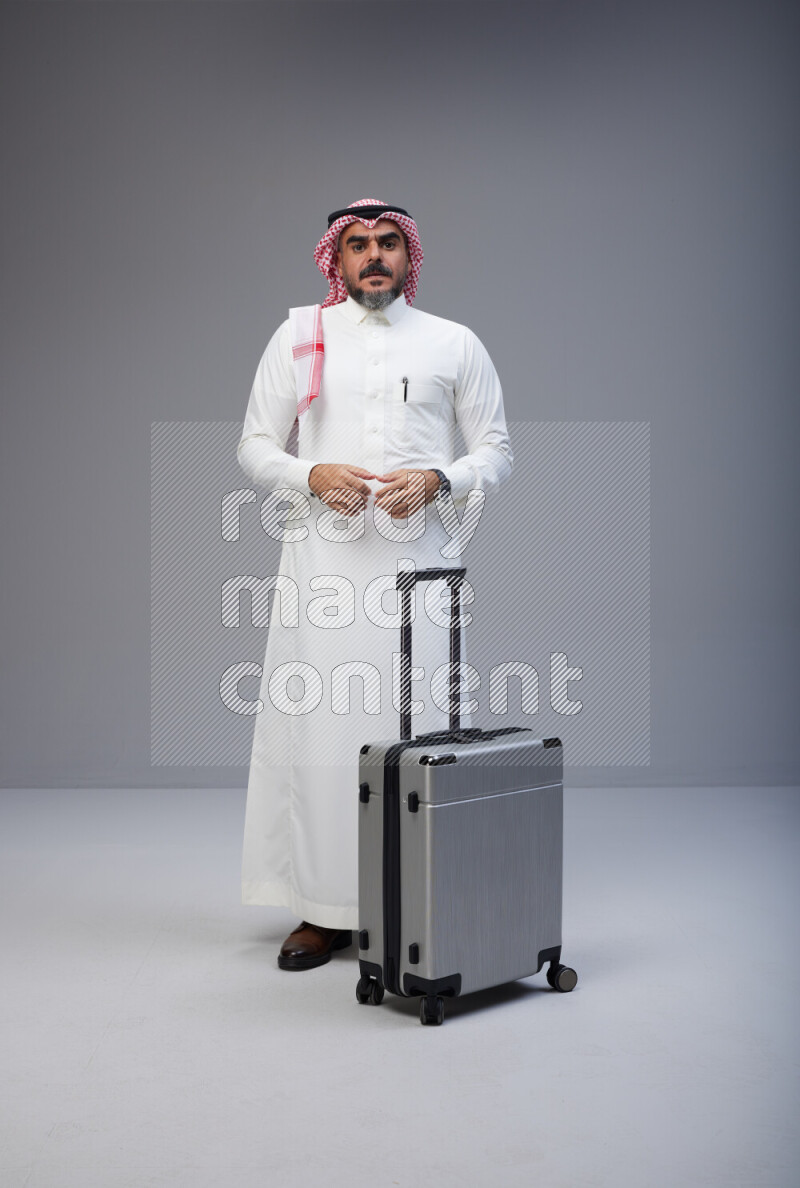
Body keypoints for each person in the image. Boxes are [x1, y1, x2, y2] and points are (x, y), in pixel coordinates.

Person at [236, 199, 513, 970]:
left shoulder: (454, 342)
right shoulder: (301, 336)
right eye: (357, 245)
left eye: (388, 242)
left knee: (420, 731)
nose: (374, 256)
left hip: (420, 569)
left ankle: (417, 900)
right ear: (337, 259)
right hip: (324, 569)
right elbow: (254, 446)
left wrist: (439, 479)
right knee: (324, 735)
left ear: (409, 255)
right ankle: (323, 910)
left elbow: (496, 450)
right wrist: (310, 474)